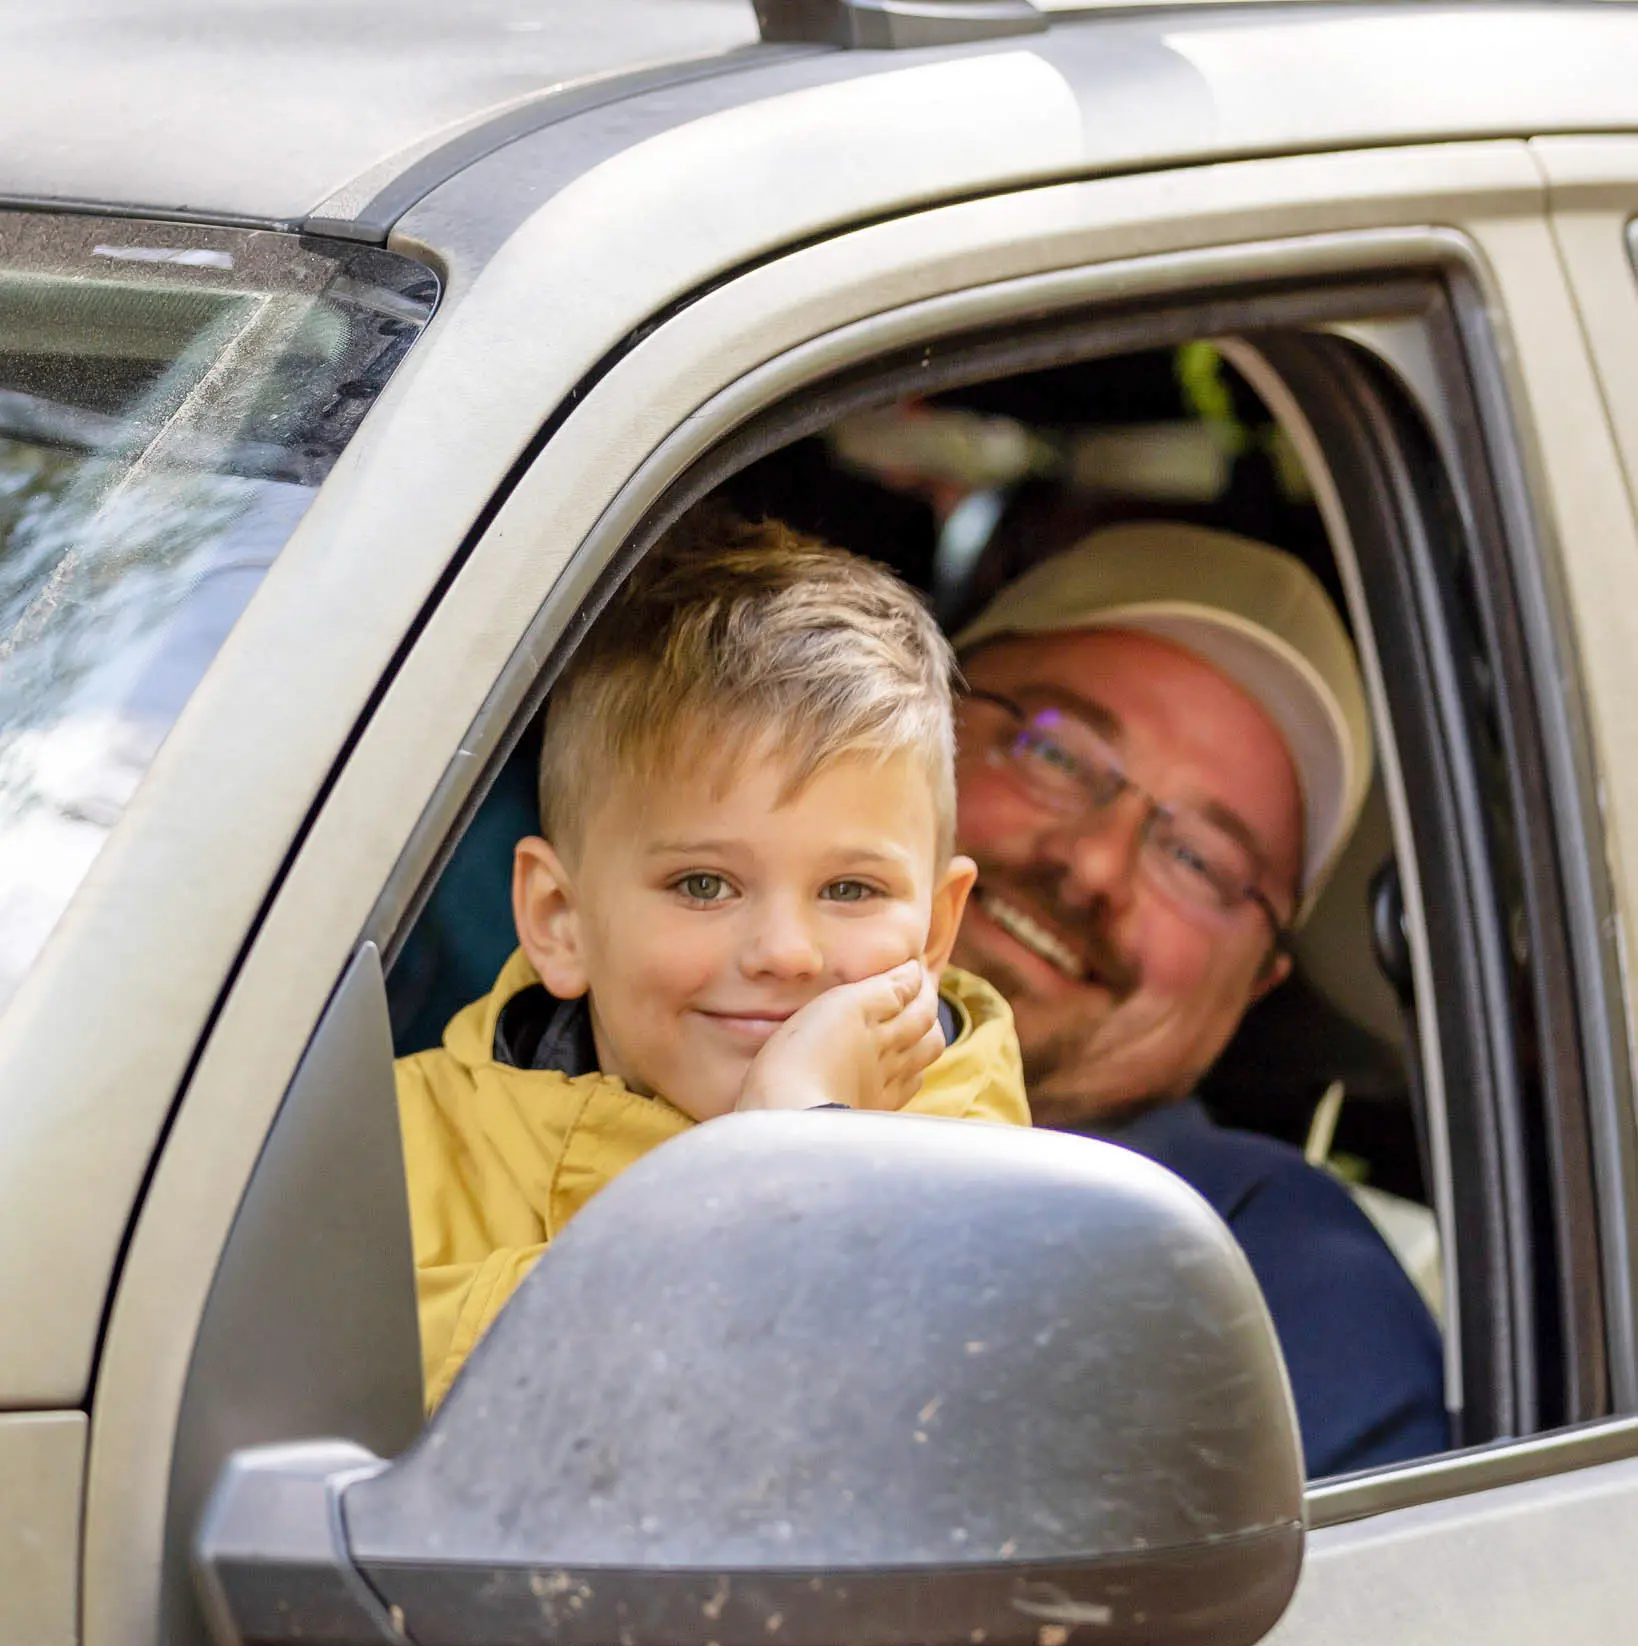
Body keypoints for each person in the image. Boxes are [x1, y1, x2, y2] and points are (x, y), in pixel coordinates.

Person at [397, 518, 1029, 1409]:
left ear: (933, 931)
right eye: (703, 883)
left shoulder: (1000, 1191)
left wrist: (792, 1153)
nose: (784, 952)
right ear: (560, 919)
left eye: (850, 890)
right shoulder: (400, 1147)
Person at [949, 521, 1447, 1478]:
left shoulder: (1268, 1293)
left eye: (1198, 861)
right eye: (1058, 753)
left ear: (1259, 982)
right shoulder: (612, 1020)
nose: (1095, 864)